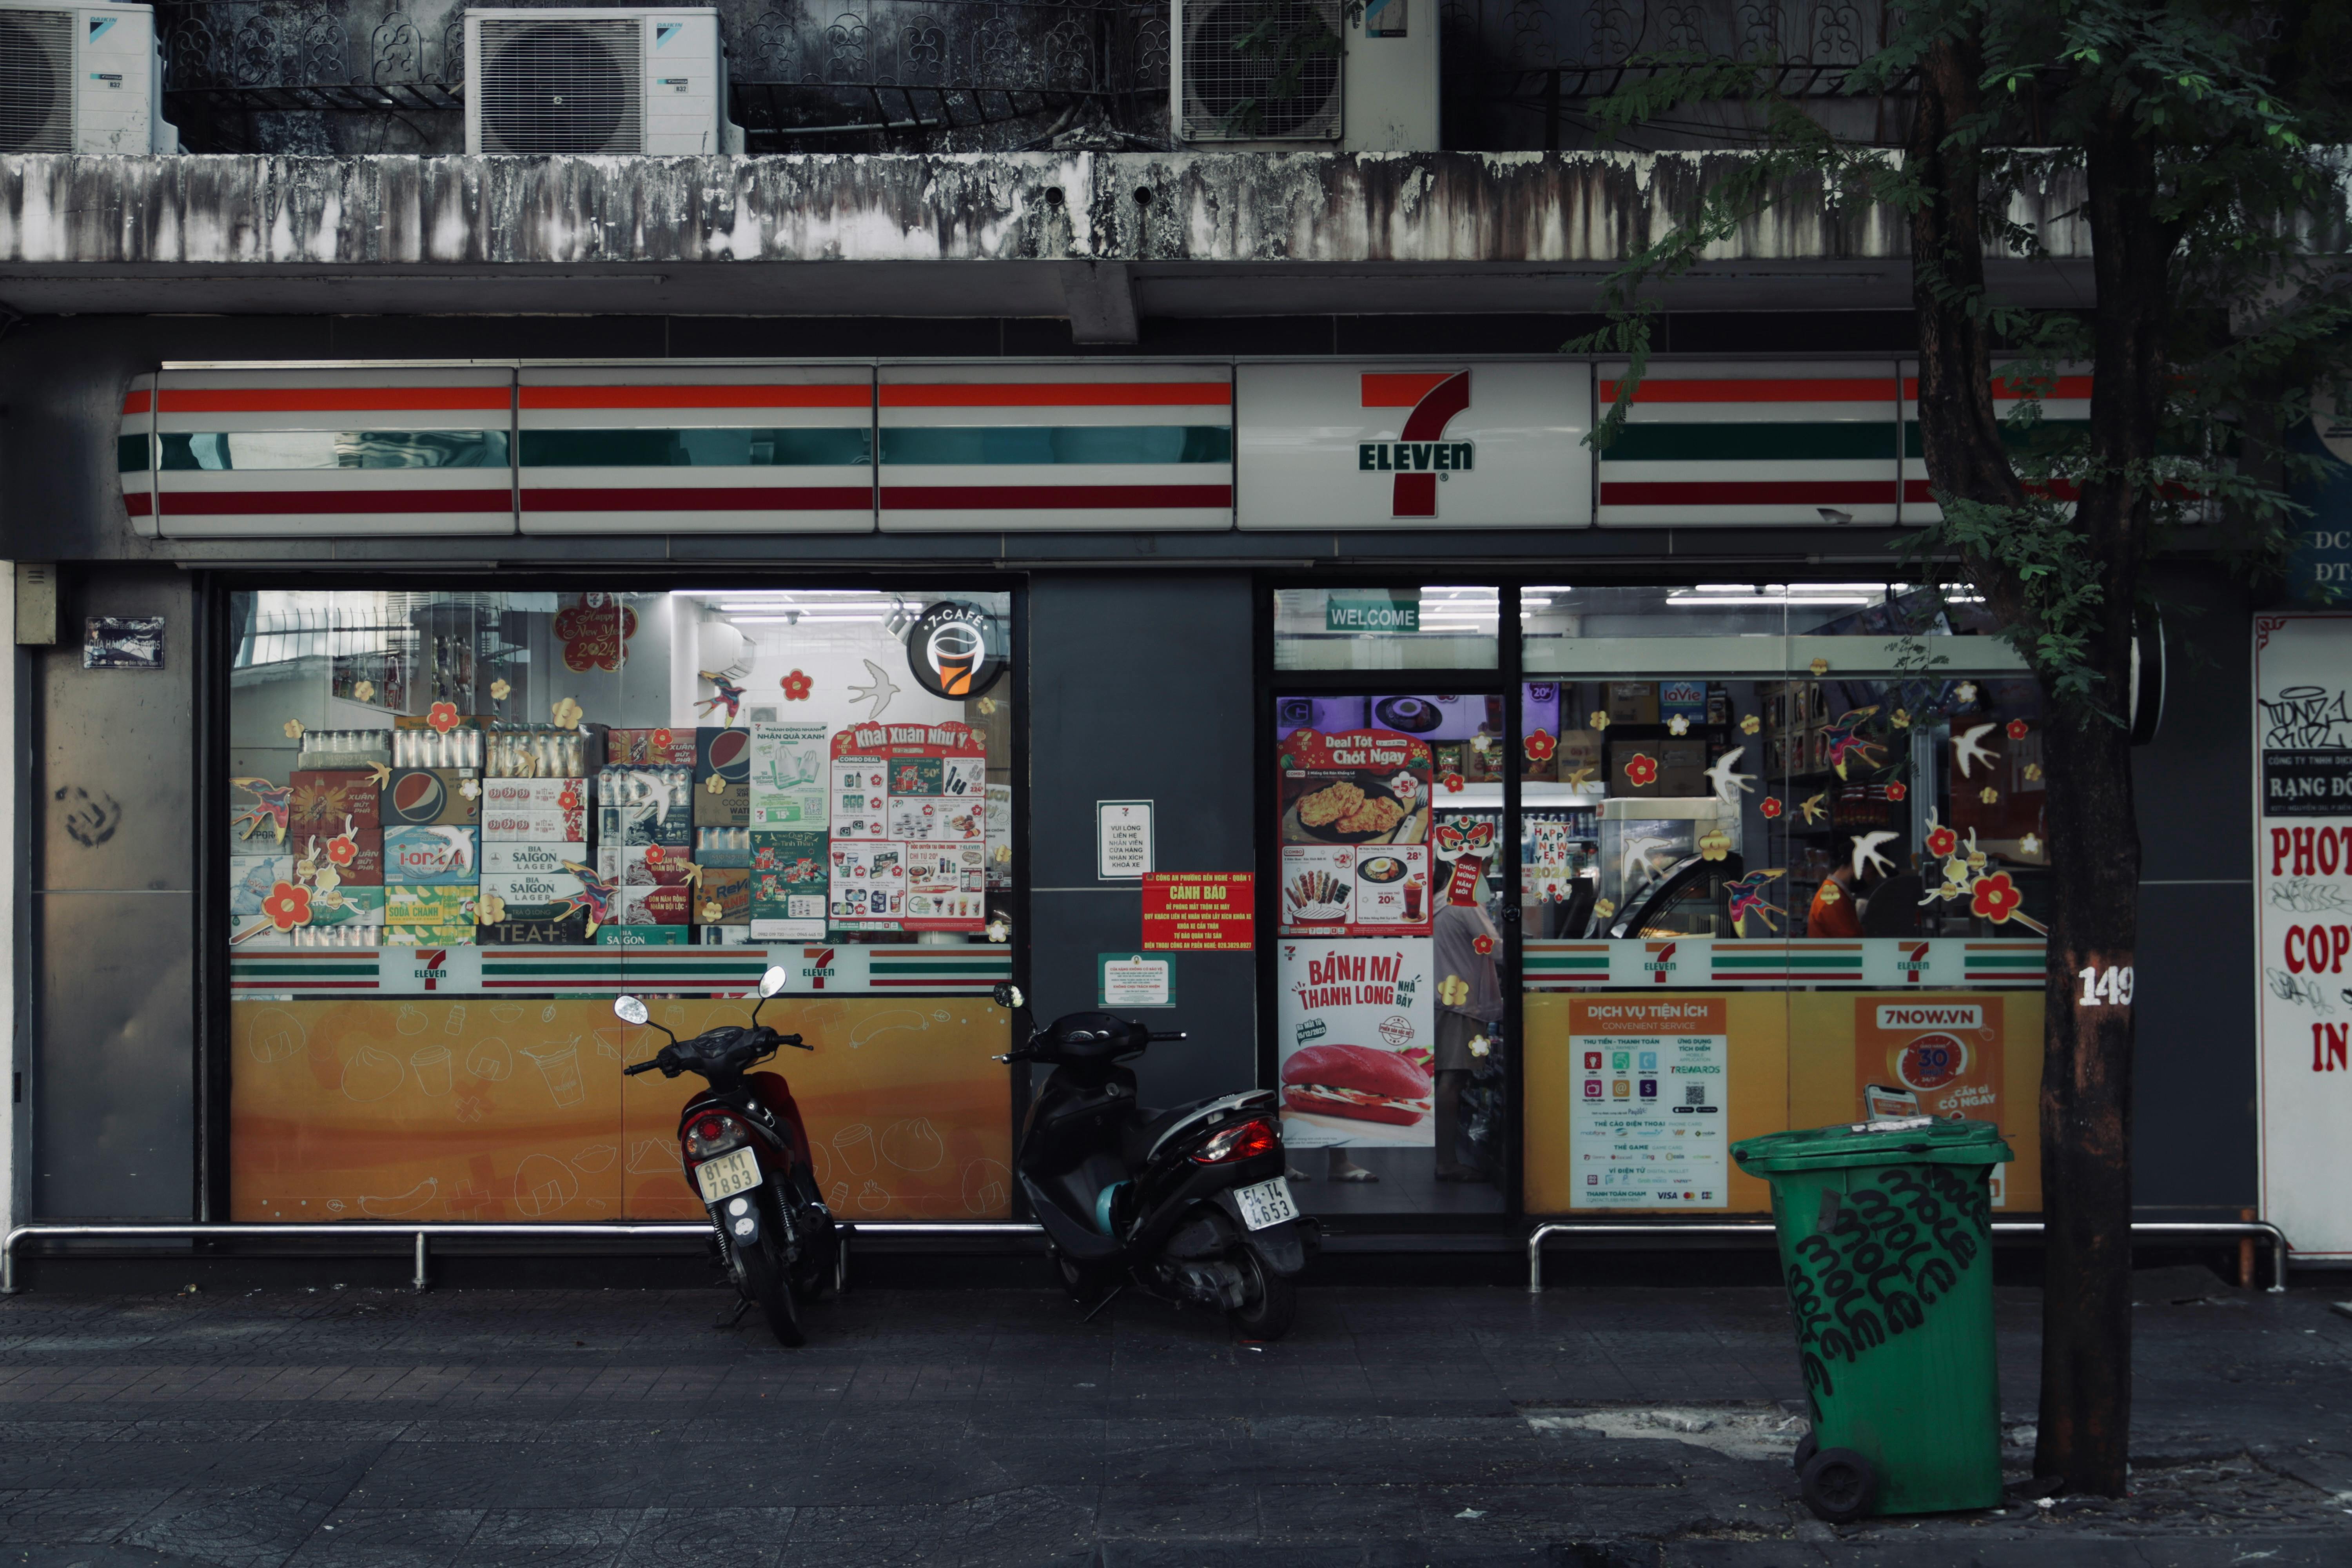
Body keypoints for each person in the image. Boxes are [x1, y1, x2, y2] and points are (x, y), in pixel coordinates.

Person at [1431, 894, 1503, 1182]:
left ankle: (1444, 1157)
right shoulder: (1464, 903)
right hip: (1461, 1002)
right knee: (1453, 1078)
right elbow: (1495, 949)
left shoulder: (1436, 906)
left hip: (1444, 996)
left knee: (1445, 1078)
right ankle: (1446, 1162)